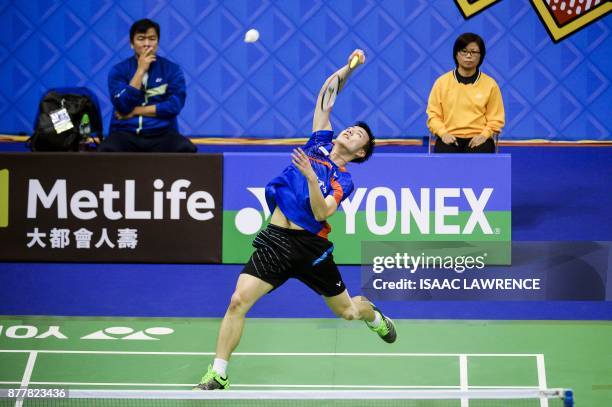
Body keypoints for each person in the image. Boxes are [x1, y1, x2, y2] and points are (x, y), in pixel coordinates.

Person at [193, 49, 396, 391]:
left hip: (310, 248)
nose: (350, 132)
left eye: (358, 135)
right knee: (237, 300)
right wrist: (348, 69)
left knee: (346, 312)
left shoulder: (344, 180)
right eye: (350, 128)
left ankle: (372, 315)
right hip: (275, 239)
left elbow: (322, 213)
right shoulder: (318, 142)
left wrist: (311, 177)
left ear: (361, 153)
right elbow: (325, 98)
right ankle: (218, 372)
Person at [98, 19, 196, 153]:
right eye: (141, 39)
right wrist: (140, 70)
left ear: (157, 43)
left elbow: (174, 106)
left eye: (152, 39)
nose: (147, 44)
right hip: (125, 133)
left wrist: (134, 111)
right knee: (106, 149)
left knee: (186, 148)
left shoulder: (172, 70)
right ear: (132, 43)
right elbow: (122, 105)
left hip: (162, 134)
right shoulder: (118, 71)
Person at [427, 33, 505, 153]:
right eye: (464, 51)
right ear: (456, 55)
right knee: (445, 153)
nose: (469, 56)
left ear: (481, 56)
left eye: (474, 52)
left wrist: (484, 135)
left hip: (479, 138)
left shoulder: (490, 84)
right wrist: (443, 134)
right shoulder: (441, 83)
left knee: (481, 153)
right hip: (449, 137)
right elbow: (433, 116)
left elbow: (496, 119)